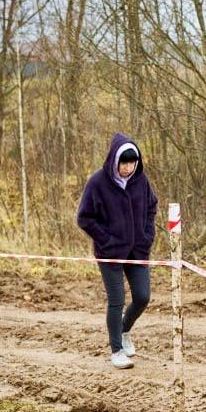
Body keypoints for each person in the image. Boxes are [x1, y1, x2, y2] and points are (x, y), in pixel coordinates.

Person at [77, 133, 158, 369]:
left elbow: (152, 206)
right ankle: (117, 351)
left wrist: (147, 236)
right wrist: (107, 240)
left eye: (133, 163)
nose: (128, 168)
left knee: (142, 297)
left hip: (137, 250)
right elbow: (84, 218)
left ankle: (123, 330)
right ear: (115, 160)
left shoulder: (141, 181)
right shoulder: (97, 182)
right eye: (124, 163)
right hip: (109, 252)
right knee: (117, 300)